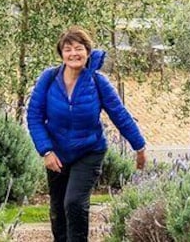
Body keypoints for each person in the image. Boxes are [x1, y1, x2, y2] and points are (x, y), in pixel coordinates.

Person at [27, 25, 147, 242]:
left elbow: (120, 114)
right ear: (61, 54)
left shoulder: (97, 82)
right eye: (68, 49)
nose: (74, 53)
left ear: (88, 51)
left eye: (79, 48)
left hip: (89, 151)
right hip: (57, 153)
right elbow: (34, 117)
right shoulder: (49, 78)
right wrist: (46, 151)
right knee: (58, 209)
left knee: (74, 203)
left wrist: (139, 147)